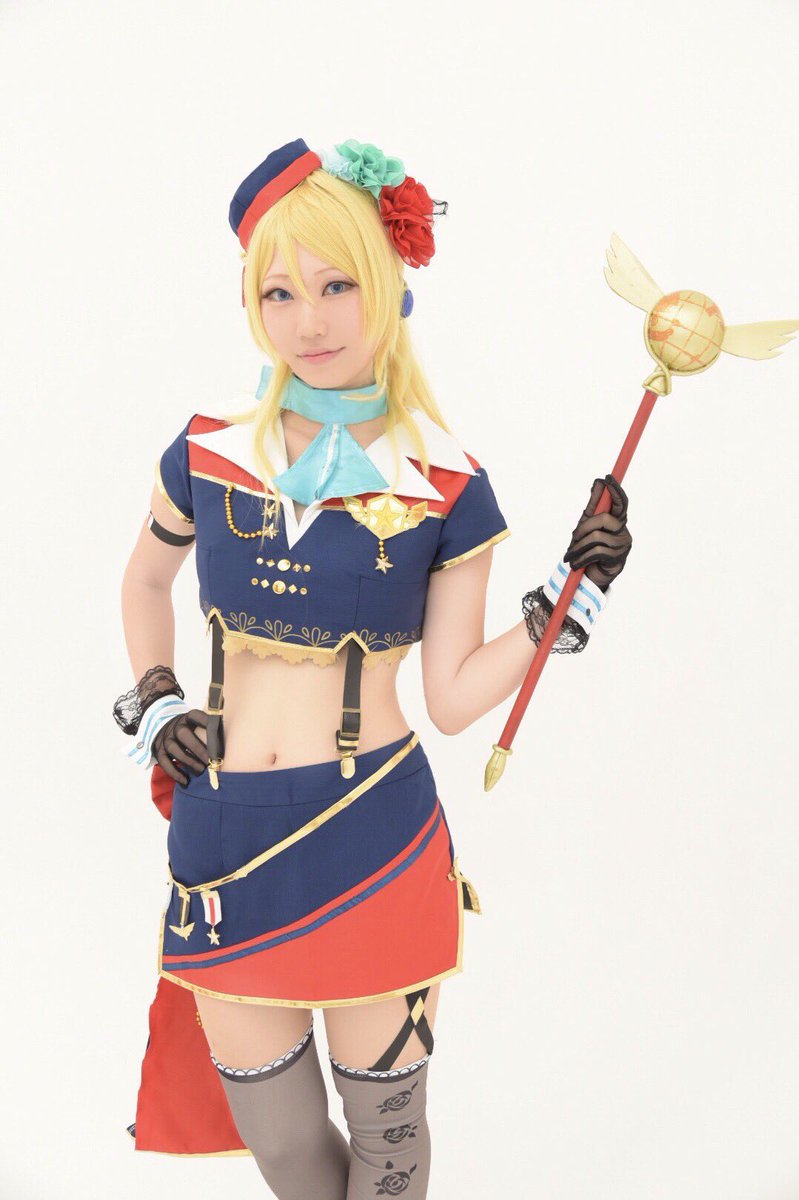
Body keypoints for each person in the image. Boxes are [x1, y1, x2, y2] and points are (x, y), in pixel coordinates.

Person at [115, 138, 632, 1197]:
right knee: (284, 1148)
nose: (309, 320)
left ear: (389, 284)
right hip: (224, 836)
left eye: (336, 285)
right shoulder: (206, 453)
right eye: (279, 293)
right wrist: (157, 701)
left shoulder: (446, 482)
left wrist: (561, 601)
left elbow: (452, 696)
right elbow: (143, 583)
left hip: (371, 833)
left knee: (387, 1146)